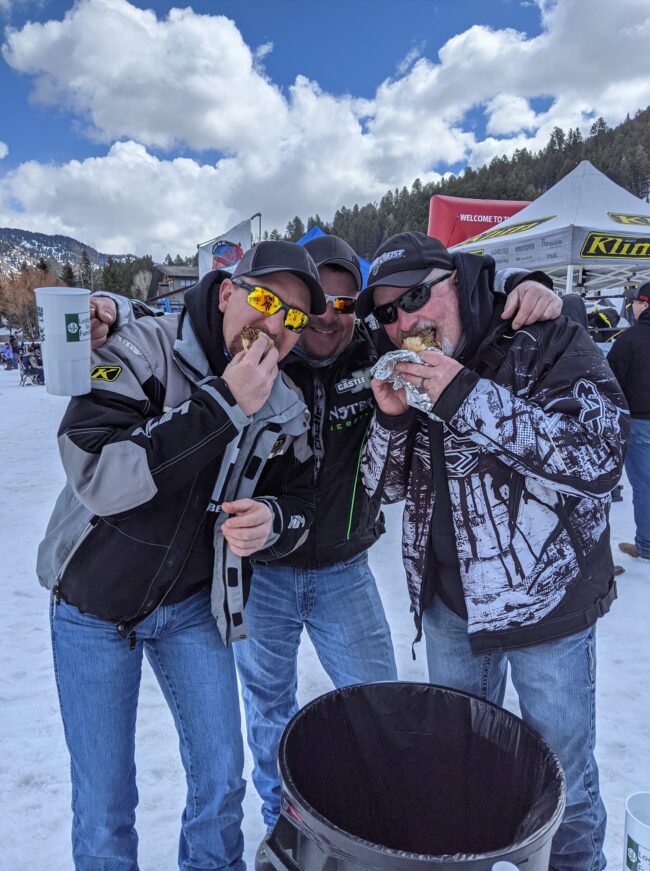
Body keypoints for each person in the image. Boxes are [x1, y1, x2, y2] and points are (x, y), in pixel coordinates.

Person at [90, 236, 562, 844]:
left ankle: (380, 826)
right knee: (268, 712)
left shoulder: (374, 353)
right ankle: (279, 824)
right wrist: (110, 306)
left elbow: (453, 304)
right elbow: (183, 326)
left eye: (346, 306)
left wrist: (533, 280)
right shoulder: (262, 363)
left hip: (345, 571)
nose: (330, 318)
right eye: (317, 307)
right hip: (262, 575)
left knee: (380, 707)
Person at [37, 240, 326, 871]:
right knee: (105, 802)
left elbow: (302, 503)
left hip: (192, 609)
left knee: (222, 779)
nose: (275, 326)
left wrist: (273, 521)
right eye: (263, 300)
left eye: (294, 318)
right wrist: (222, 405)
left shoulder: (284, 402)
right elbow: (99, 473)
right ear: (226, 292)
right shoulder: (145, 349)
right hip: (92, 606)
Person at [358, 232, 628, 871]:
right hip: (449, 609)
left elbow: (597, 455)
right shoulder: (405, 365)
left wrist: (462, 395)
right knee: (459, 762)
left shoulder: (542, 333)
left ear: (457, 279)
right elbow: (383, 487)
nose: (405, 321)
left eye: (417, 296)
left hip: (547, 609)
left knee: (563, 778)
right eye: (389, 313)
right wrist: (392, 419)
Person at [607, 282, 650, 563]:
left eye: (634, 302)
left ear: (644, 305)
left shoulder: (629, 339)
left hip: (640, 422)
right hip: (641, 423)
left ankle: (647, 545)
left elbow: (608, 385)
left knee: (645, 486)